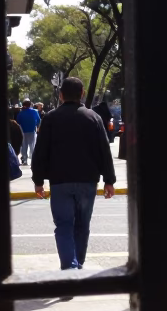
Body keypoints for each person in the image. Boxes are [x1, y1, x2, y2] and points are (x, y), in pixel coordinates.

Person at [31, 77, 117, 270]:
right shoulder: (93, 118)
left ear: (60, 95)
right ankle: (78, 264)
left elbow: (40, 152)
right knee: (82, 226)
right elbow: (104, 150)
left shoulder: (50, 119)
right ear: (83, 94)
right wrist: (109, 180)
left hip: (60, 181)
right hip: (88, 181)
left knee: (63, 226)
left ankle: (70, 266)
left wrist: (38, 181)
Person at [15, 98, 40, 165]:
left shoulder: (21, 113)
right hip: (32, 131)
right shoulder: (35, 111)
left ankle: (25, 160)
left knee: (24, 146)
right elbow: (38, 121)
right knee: (32, 146)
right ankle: (33, 160)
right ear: (30, 104)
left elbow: (18, 122)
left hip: (23, 132)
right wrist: (37, 127)